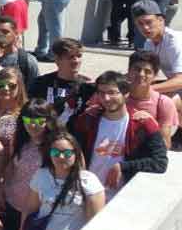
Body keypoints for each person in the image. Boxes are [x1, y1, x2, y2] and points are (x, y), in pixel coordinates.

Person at [68, 71, 167, 202]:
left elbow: (160, 162)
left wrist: (123, 166)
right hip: (87, 196)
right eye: (101, 93)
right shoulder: (88, 119)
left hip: (122, 200)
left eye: (112, 92)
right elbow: (70, 146)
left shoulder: (143, 124)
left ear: (126, 94)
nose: (106, 98)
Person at [0, 100, 58, 230]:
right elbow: (10, 168)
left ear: (48, 120)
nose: (33, 124)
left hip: (40, 214)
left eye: (39, 119)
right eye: (28, 119)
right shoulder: (20, 140)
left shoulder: (58, 145)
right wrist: (1, 192)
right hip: (14, 206)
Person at [19, 131, 104, 230]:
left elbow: (94, 225)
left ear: (76, 154)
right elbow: (30, 209)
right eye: (55, 152)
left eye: (67, 153)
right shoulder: (41, 175)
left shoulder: (89, 181)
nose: (61, 157)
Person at [28, 38, 95, 126]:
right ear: (57, 59)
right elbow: (29, 115)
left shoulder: (88, 87)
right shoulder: (40, 83)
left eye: (79, 56)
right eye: (70, 57)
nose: (76, 60)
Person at [131, 1, 182, 99]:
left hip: (179, 86)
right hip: (177, 88)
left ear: (161, 20)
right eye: (140, 24)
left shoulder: (175, 41)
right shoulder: (149, 43)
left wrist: (146, 89)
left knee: (166, 101)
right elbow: (147, 72)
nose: (145, 27)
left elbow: (180, 81)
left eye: (149, 22)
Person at [126, 50, 178, 143]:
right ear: (129, 72)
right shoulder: (118, 98)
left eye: (147, 71)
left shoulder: (163, 103)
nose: (141, 74)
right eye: (137, 69)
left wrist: (150, 123)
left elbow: (165, 144)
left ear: (155, 76)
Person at [0, 16, 39, 90]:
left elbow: (35, 91)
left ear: (16, 34)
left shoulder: (27, 61)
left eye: (5, 32)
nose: (0, 35)